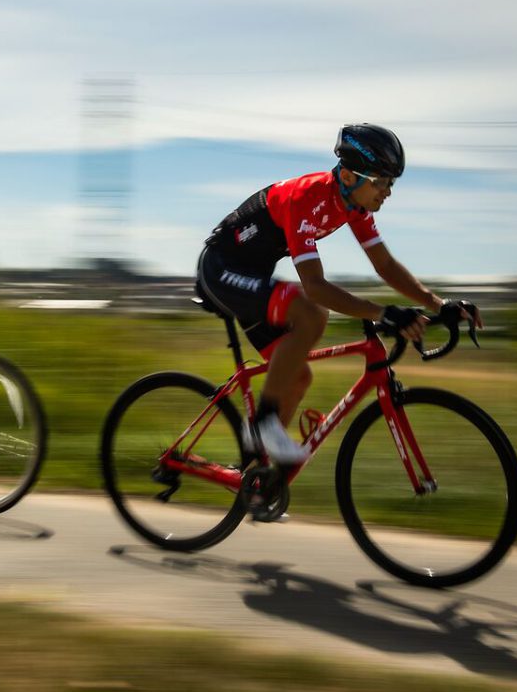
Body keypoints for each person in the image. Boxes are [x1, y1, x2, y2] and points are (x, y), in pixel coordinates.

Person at [195, 123, 483, 465]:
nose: (387, 192)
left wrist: (438, 303)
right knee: (312, 313)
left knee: (297, 377)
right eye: (380, 182)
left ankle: (254, 478)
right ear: (348, 176)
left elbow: (386, 266)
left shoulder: (354, 207)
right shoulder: (306, 197)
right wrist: (383, 313)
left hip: (252, 276)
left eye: (391, 182)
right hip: (221, 270)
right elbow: (315, 287)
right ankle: (261, 425)